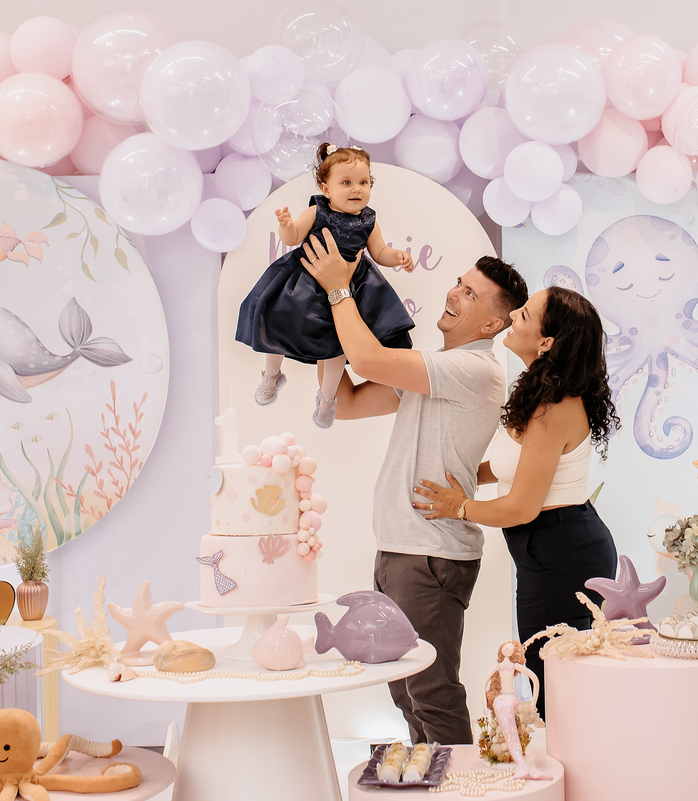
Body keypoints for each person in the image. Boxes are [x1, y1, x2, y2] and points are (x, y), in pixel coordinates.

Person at [299, 229, 528, 746]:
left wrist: (338, 289)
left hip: (430, 553)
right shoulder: (434, 372)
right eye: (458, 283)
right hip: (402, 548)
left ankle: (459, 780)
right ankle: (432, 774)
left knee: (430, 689)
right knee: (405, 689)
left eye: (469, 293)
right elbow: (349, 402)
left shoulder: (474, 369)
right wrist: (317, 328)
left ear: (492, 324)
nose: (453, 294)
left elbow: (368, 360)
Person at [413, 286, 620, 718]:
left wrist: (458, 506)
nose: (512, 317)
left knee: (551, 680)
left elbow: (520, 507)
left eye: (523, 315)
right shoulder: (539, 390)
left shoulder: (554, 407)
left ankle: (574, 756)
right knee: (549, 676)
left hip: (562, 552)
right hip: (548, 546)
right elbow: (514, 466)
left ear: (546, 342)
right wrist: (466, 474)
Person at [236, 144, 415, 428]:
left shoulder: (369, 220)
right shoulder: (316, 211)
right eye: (346, 183)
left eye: (363, 182)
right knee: (278, 321)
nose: (356, 189)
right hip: (306, 280)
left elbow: (380, 252)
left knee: (338, 344)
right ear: (326, 189)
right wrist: (286, 225)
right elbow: (294, 236)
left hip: (351, 287)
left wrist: (397, 257)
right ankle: (271, 375)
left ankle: (328, 398)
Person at [482, 641, 547, 780]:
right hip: (501, 698)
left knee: (506, 710)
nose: (507, 647)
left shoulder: (514, 666)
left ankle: (517, 757)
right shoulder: (497, 666)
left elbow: (534, 679)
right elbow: (484, 683)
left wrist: (534, 701)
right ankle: (519, 760)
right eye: (505, 646)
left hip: (510, 697)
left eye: (511, 647)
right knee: (499, 705)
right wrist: (484, 703)